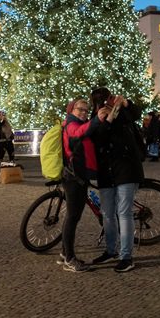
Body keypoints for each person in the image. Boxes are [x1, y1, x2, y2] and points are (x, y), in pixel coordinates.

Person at [90, 87, 144, 273]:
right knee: (107, 213)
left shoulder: (123, 114)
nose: (108, 102)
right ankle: (111, 250)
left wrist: (126, 103)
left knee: (123, 213)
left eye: (110, 98)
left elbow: (136, 114)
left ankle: (126, 256)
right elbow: (97, 139)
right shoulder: (96, 118)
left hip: (126, 168)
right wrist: (102, 120)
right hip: (106, 171)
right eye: (103, 100)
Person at [59, 98, 108, 273]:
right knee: (73, 217)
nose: (84, 113)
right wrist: (95, 120)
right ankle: (70, 259)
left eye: (86, 111)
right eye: (80, 109)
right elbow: (78, 133)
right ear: (72, 110)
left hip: (79, 177)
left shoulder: (80, 122)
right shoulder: (71, 124)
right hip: (74, 178)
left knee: (73, 217)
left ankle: (65, 253)